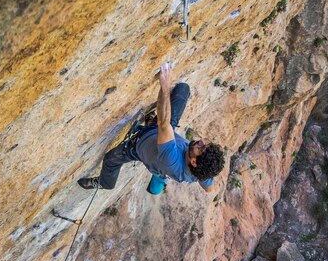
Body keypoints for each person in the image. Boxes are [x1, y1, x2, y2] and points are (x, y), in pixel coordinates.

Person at [77, 62, 225, 195]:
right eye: (204, 144)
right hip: (164, 135)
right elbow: (209, 189)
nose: (200, 142)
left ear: (194, 163)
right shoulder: (202, 172)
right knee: (183, 89)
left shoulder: (172, 162)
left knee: (111, 159)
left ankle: (105, 183)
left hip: (139, 146)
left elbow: (163, 123)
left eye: (201, 147)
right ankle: (151, 123)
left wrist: (165, 84)